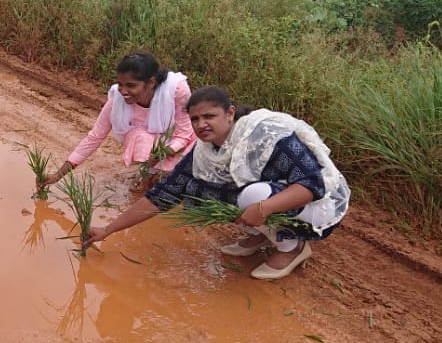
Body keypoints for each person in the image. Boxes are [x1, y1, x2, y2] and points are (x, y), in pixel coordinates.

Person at [84, 86, 349, 280]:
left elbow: (313, 185)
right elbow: (162, 196)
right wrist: (108, 229)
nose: (201, 124)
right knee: (207, 191)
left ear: (230, 113)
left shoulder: (266, 136)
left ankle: (292, 246)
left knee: (252, 196)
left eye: (209, 116)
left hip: (317, 202)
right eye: (195, 119)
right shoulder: (204, 152)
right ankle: (260, 234)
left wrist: (263, 209)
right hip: (272, 196)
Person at [42, 52, 196, 189]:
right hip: (152, 144)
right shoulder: (118, 99)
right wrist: (58, 175)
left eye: (131, 86)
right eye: (120, 84)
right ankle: (149, 175)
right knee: (139, 136)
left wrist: (161, 154)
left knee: (179, 170)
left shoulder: (176, 90)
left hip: (180, 141)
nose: (123, 91)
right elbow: (95, 137)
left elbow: (184, 134)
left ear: (151, 83)